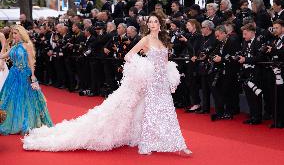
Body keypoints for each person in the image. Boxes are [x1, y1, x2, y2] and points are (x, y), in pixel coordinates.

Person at [23, 12, 192, 156]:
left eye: (156, 21)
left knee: (166, 111)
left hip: (161, 82)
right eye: (150, 22)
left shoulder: (164, 41)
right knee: (152, 112)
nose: (153, 24)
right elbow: (129, 56)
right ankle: (150, 143)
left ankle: (177, 143)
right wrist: (145, 68)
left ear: (161, 24)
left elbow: (165, 61)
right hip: (150, 82)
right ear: (147, 25)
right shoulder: (146, 39)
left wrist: (167, 72)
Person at [0, 25, 53, 135]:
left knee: (26, 98)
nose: (14, 35)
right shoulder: (14, 47)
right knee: (12, 97)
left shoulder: (26, 45)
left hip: (25, 74)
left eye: (15, 33)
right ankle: (12, 122)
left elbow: (31, 62)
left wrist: (33, 76)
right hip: (13, 75)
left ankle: (25, 123)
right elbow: (3, 56)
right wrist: (4, 45)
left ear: (21, 33)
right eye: (13, 33)